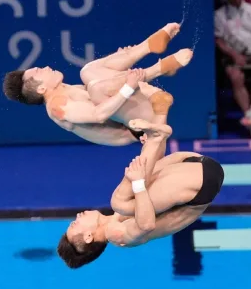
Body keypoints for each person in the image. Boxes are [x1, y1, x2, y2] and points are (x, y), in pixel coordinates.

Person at [56, 83, 224, 269]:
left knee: (130, 193)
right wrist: (137, 184)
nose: (77, 216)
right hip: (202, 183)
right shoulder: (117, 235)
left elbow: (149, 175)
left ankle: (158, 123)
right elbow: (146, 226)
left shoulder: (117, 217)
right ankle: (156, 135)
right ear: (88, 237)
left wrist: (143, 169)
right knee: (122, 200)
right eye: (75, 224)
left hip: (194, 167)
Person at [3, 23, 193, 146]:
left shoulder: (69, 90)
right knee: (96, 88)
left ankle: (144, 48)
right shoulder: (57, 107)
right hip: (139, 128)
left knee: (88, 71)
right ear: (41, 88)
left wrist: (118, 65)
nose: (45, 67)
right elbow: (99, 115)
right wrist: (128, 84)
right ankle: (157, 69)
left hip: (136, 102)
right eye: (39, 71)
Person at [215, 0, 251, 137]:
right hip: (233, 56)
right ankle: (249, 116)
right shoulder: (219, 15)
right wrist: (234, 55)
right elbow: (219, 40)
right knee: (236, 77)